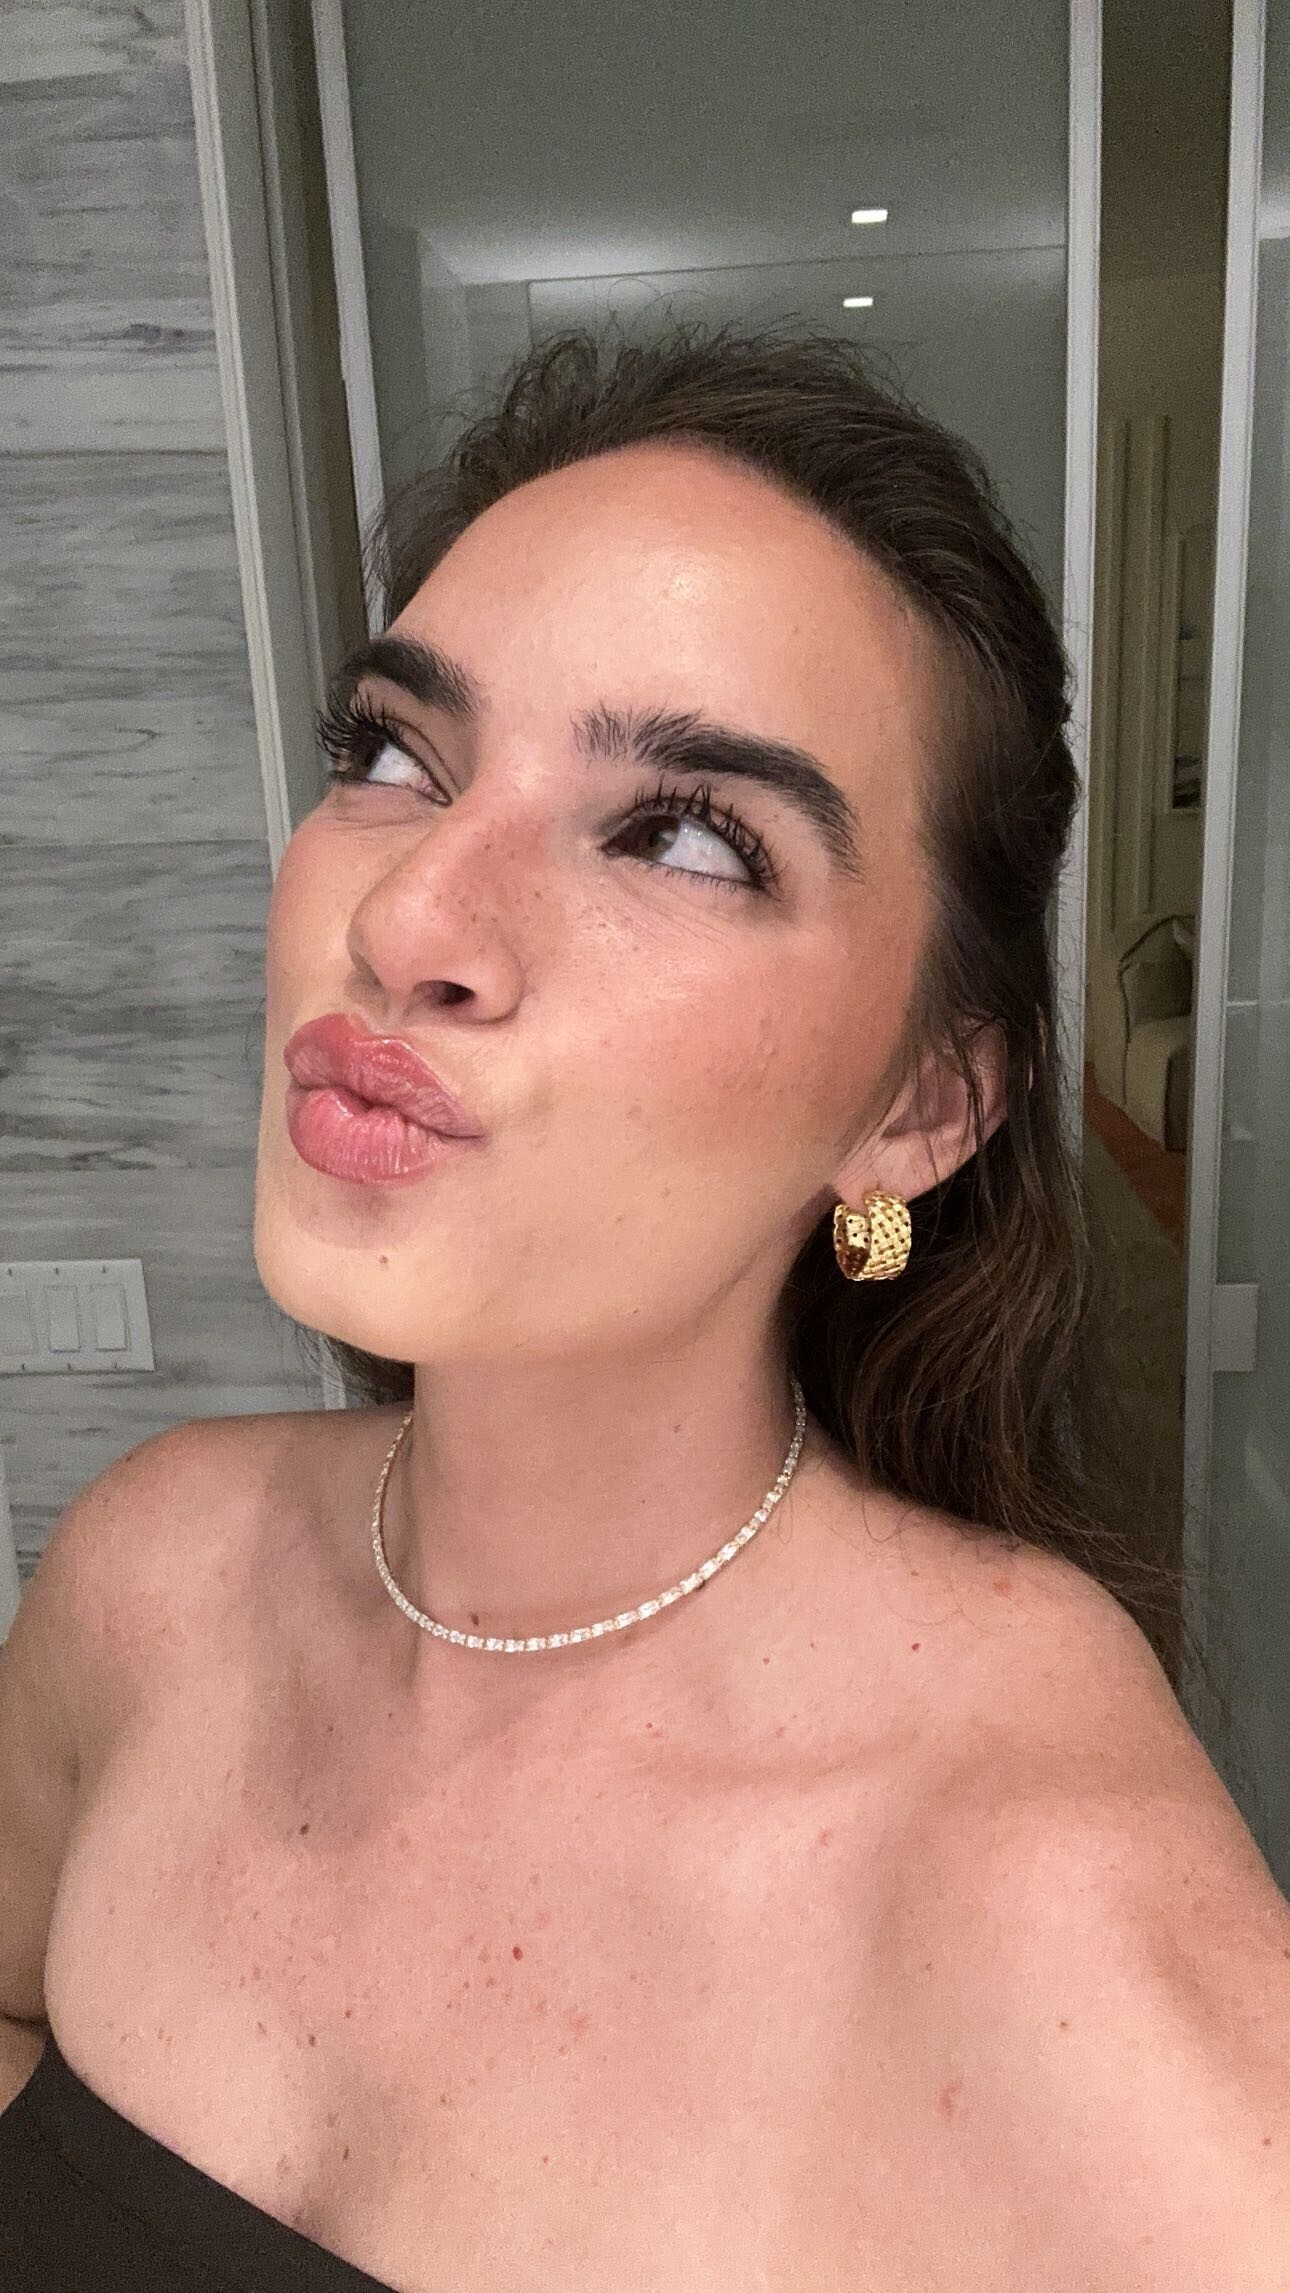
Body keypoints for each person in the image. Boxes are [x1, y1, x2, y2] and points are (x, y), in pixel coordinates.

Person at [1, 322, 1288, 2292]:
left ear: (919, 1104)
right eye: (394, 752)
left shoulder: (1058, 1922)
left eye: (683, 833)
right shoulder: (150, 1573)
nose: (406, 920)